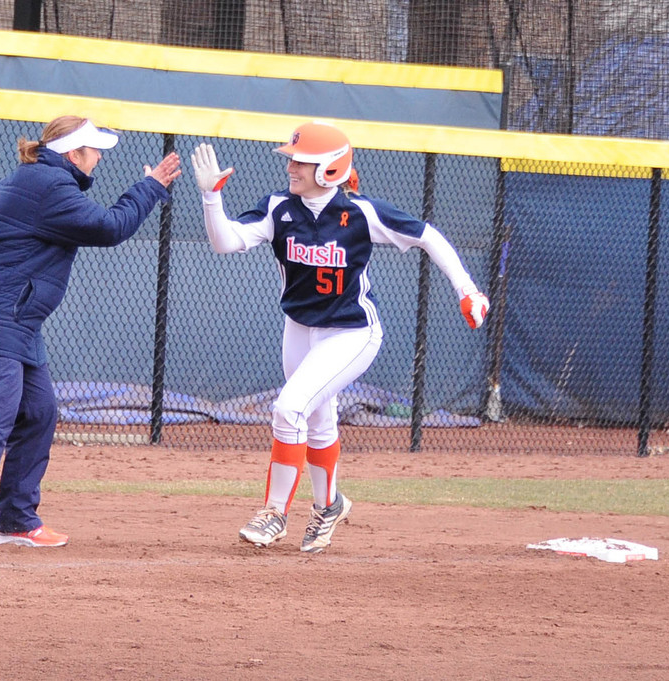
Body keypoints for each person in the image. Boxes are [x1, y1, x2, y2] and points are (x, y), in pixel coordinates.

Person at [189, 121, 489, 554]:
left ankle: (274, 512)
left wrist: (467, 289)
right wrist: (211, 197)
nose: (291, 167)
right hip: (299, 329)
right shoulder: (278, 208)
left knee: (289, 407)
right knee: (317, 420)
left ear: (329, 168)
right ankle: (329, 505)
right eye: (292, 159)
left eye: (301, 161)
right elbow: (225, 242)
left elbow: (428, 236)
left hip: (351, 333)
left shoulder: (360, 212)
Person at [0, 116, 181, 552]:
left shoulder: (40, 179)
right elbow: (110, 228)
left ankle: (17, 521)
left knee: (38, 412)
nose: (98, 159)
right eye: (94, 151)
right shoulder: (48, 185)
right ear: (73, 153)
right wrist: (150, 186)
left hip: (16, 315)